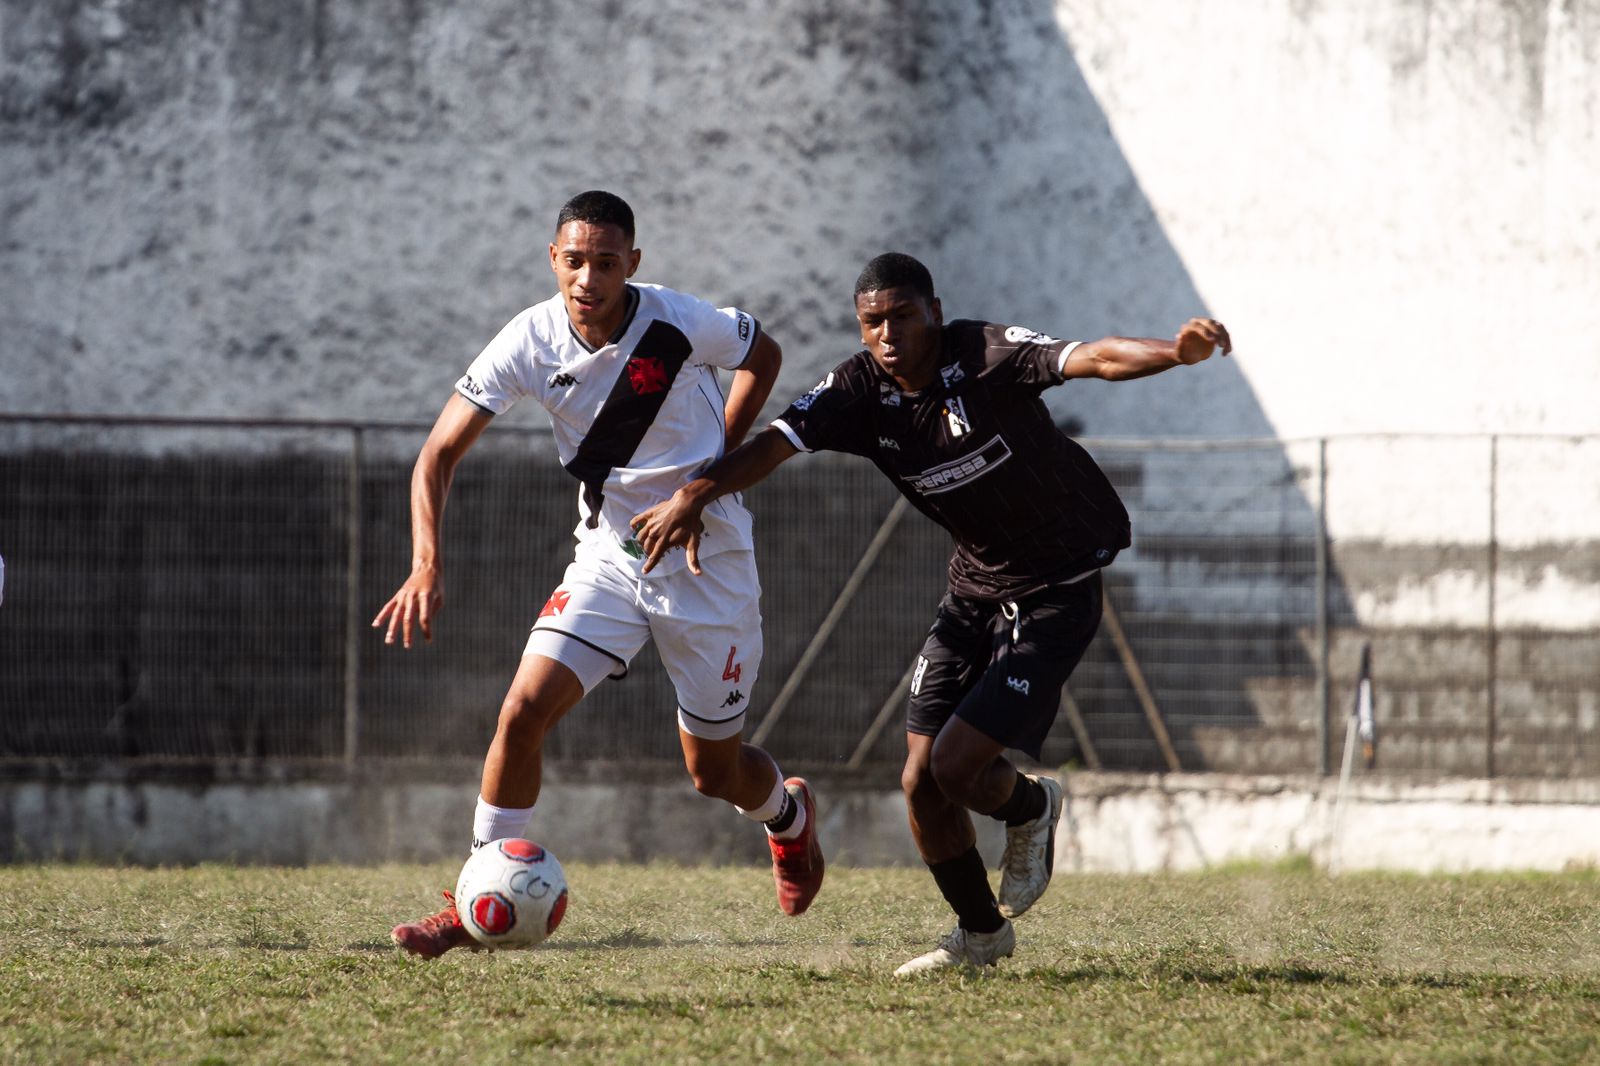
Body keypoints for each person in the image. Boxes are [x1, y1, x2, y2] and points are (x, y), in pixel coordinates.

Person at [632, 252, 1230, 975]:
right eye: (871, 322)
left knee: (956, 765)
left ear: (934, 313)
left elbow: (1094, 357)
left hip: (1056, 589)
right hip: (974, 590)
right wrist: (695, 494)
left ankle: (1029, 809)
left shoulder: (984, 355)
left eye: (902, 317)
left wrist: (1177, 351)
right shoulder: (857, 391)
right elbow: (775, 445)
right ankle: (981, 936)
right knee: (919, 780)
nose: (887, 334)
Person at [374, 190, 824, 958]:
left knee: (713, 773)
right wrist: (425, 561)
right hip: (611, 558)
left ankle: (788, 816)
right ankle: (472, 899)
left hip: (706, 562)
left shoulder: (677, 322)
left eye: (606, 263)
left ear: (632, 266)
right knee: (521, 712)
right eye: (574, 261)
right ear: (554, 259)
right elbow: (438, 454)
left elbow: (765, 354)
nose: (588, 278)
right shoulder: (529, 340)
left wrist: (709, 476)